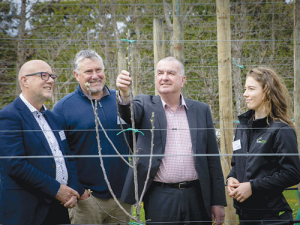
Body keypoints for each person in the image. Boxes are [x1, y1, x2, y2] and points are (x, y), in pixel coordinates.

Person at [116, 56, 226, 225]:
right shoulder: (144, 104)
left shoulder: (201, 110)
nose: (164, 77)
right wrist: (124, 93)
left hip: (197, 195)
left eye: (171, 73)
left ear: (182, 81)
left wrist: (217, 201)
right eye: (160, 73)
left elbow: (213, 159)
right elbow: (129, 113)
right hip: (160, 196)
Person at [52, 49, 132, 224]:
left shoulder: (121, 101)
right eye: (88, 71)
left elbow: (135, 141)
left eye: (99, 70)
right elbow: (59, 155)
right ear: (76, 75)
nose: (95, 76)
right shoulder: (63, 109)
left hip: (123, 199)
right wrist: (80, 191)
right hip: (86, 200)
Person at [0, 60, 80, 225]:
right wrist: (56, 189)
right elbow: (15, 164)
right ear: (24, 81)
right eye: (43, 75)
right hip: (27, 211)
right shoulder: (9, 116)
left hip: (58, 208)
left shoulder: (53, 118)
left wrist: (72, 190)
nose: (50, 80)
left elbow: (67, 157)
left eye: (52, 76)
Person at [227, 67, 300, 225]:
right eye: (245, 89)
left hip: (272, 217)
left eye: (251, 89)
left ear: (267, 91)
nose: (245, 94)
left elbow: (292, 173)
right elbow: (237, 163)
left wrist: (253, 187)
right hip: (245, 215)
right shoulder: (242, 127)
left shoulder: (281, 130)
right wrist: (231, 177)